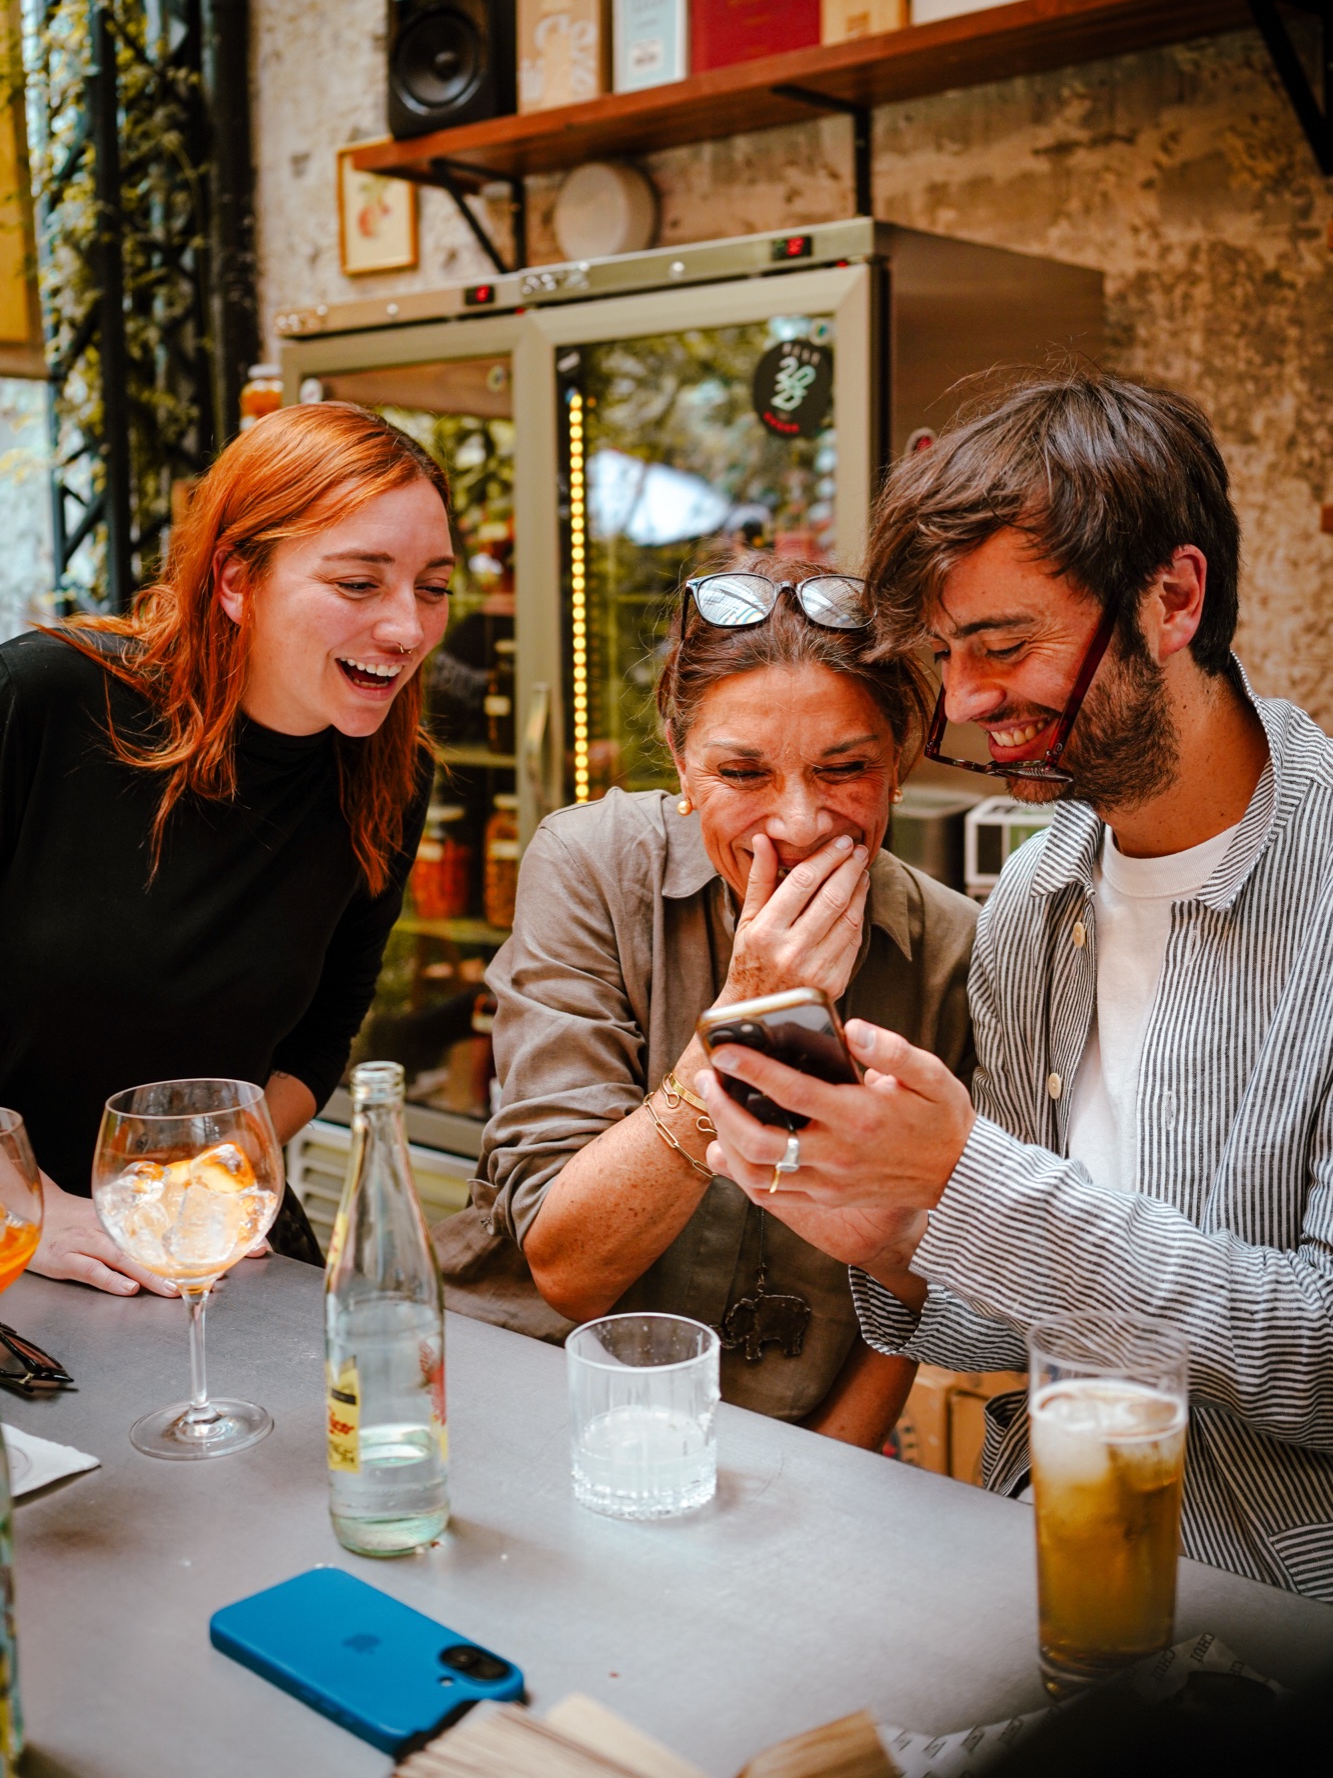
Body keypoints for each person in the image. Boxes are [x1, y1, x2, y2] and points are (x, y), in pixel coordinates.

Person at [699, 368, 1333, 1597]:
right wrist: (888, 1236)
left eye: (1002, 643)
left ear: (1172, 596)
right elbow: (1022, 1326)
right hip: (1038, 1561)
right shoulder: (1037, 902)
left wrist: (967, 1180)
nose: (972, 699)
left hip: (1276, 1623)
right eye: (948, 654)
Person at [438, 553, 976, 1448]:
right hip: (535, 1407)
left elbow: (920, 1288)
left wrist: (833, 1476)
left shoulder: (952, 950)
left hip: (791, 1439)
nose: (799, 823)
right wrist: (748, 1018)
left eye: (843, 768)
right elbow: (568, 1269)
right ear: (682, 764)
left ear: (897, 767)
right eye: (743, 773)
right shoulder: (592, 866)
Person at [0, 402, 452, 1294]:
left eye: (431, 587)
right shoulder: (41, 699)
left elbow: (316, 1046)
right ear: (236, 580)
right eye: (359, 583)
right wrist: (28, 1210)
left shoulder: (388, 777)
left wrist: (192, 1192)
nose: (406, 629)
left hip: (206, 1227)